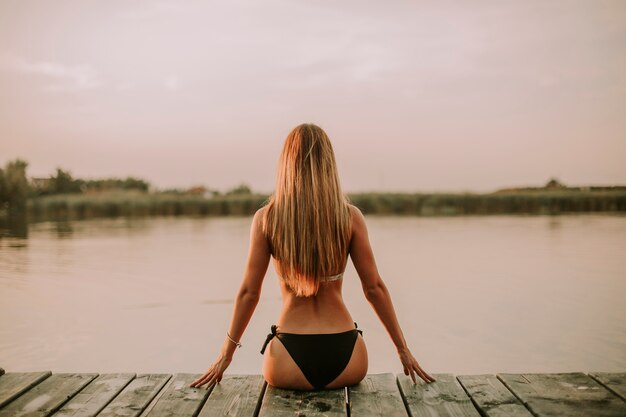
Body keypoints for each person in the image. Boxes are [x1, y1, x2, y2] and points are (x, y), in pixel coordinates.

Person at [190, 123, 435, 390]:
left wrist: (226, 355)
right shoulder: (349, 217)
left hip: (287, 358)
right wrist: (403, 349)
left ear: (286, 165)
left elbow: (249, 292)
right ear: (328, 164)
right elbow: (374, 288)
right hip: (348, 356)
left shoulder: (267, 219)